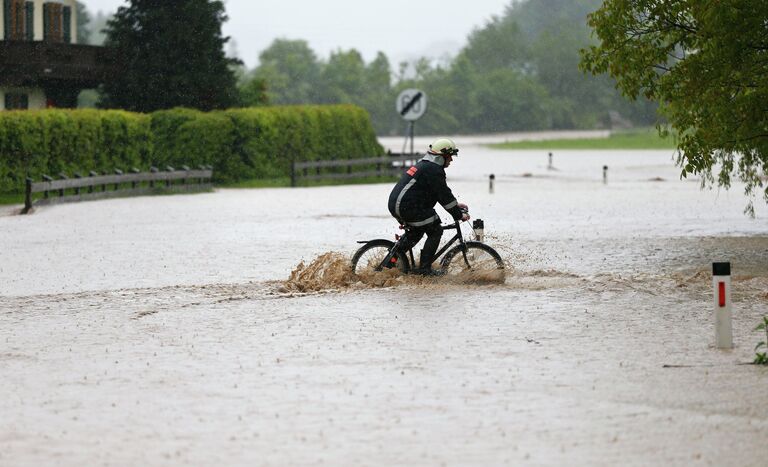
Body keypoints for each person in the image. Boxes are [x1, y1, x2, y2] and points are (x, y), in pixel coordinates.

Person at [388, 137, 470, 275]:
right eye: (449, 156)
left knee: (417, 231)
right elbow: (444, 195)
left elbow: (438, 193)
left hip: (399, 205)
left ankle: (391, 262)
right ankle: (425, 269)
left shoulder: (426, 165)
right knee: (435, 230)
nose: (451, 160)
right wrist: (458, 214)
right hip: (407, 207)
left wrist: (455, 205)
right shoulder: (433, 169)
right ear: (442, 156)